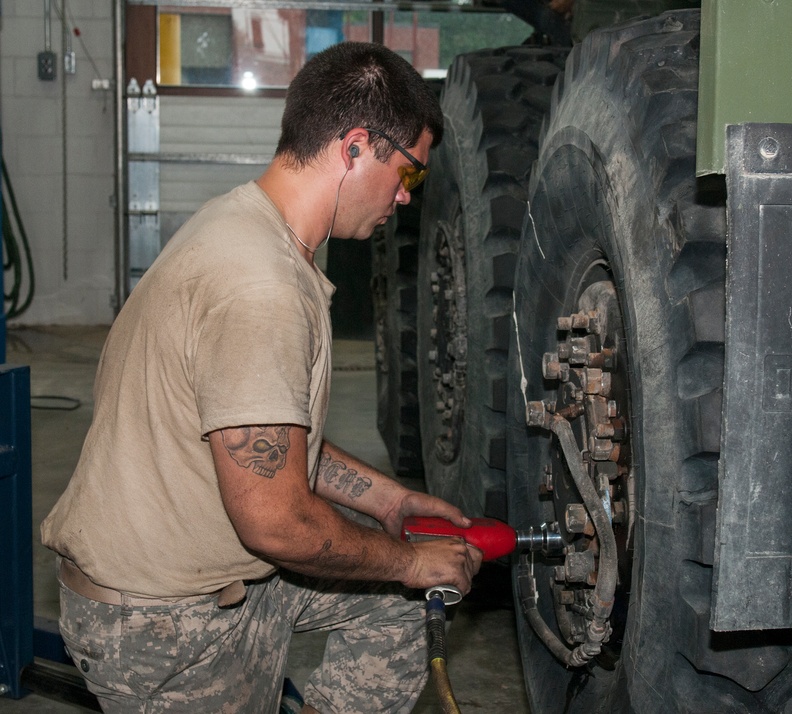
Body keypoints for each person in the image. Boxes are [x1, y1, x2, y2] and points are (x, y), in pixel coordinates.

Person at [41, 42, 482, 713]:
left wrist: (387, 502)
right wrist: (413, 560)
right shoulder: (262, 287)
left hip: (202, 576)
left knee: (396, 606)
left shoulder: (243, 223)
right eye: (409, 174)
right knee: (406, 575)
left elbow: (266, 439)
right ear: (356, 146)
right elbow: (276, 523)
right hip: (165, 623)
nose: (402, 196)